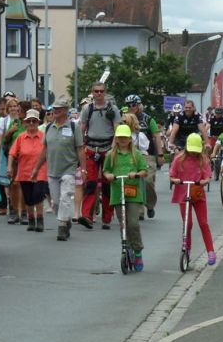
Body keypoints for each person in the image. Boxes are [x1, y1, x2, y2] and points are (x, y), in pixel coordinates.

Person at [32, 95, 85, 241]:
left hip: (69, 169)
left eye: (58, 109)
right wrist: (36, 169)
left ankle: (62, 226)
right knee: (55, 202)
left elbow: (80, 149)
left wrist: (84, 169)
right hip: (53, 170)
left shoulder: (74, 127)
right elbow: (44, 150)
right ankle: (65, 219)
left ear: (66, 110)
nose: (55, 111)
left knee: (65, 197)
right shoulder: (49, 127)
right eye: (54, 108)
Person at [103, 124, 148, 271]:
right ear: (116, 139)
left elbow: (144, 171)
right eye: (120, 137)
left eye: (125, 137)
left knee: (133, 223)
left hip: (133, 193)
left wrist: (136, 174)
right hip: (118, 192)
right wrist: (108, 176)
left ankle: (138, 250)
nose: (122, 140)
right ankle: (127, 248)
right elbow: (106, 171)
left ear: (130, 139)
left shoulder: (136, 155)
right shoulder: (111, 154)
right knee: (123, 224)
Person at [79, 81, 122, 229]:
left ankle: (107, 218)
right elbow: (82, 128)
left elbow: (117, 129)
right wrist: (80, 146)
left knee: (107, 185)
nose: (99, 94)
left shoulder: (113, 109)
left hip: (107, 149)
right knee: (90, 184)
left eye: (101, 91)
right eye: (96, 91)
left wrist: (113, 147)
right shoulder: (88, 109)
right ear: (92, 92)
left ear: (105, 92)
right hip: (91, 148)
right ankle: (86, 215)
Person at [170, 132, 216, 266]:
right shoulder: (179, 159)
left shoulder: (203, 159)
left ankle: (210, 251)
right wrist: (175, 180)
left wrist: (205, 181)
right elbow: (172, 175)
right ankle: (186, 250)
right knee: (187, 224)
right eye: (192, 151)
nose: (194, 154)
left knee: (203, 223)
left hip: (198, 195)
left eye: (196, 151)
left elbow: (208, 175)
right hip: (183, 194)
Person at [8, 109, 48, 233]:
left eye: (34, 121)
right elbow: (12, 153)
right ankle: (31, 220)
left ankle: (40, 220)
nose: (31, 123)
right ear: (25, 122)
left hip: (40, 172)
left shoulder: (43, 137)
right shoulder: (21, 137)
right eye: (29, 121)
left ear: (38, 122)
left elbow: (50, 152)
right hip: (24, 172)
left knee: (37, 195)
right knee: (28, 198)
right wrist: (9, 167)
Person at [125, 94, 164, 219]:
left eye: (134, 105)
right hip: (130, 154)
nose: (131, 107)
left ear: (139, 105)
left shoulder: (148, 119)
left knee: (147, 181)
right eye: (129, 105)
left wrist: (160, 154)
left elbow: (157, 137)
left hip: (147, 155)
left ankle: (150, 204)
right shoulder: (124, 119)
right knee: (133, 181)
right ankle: (139, 210)